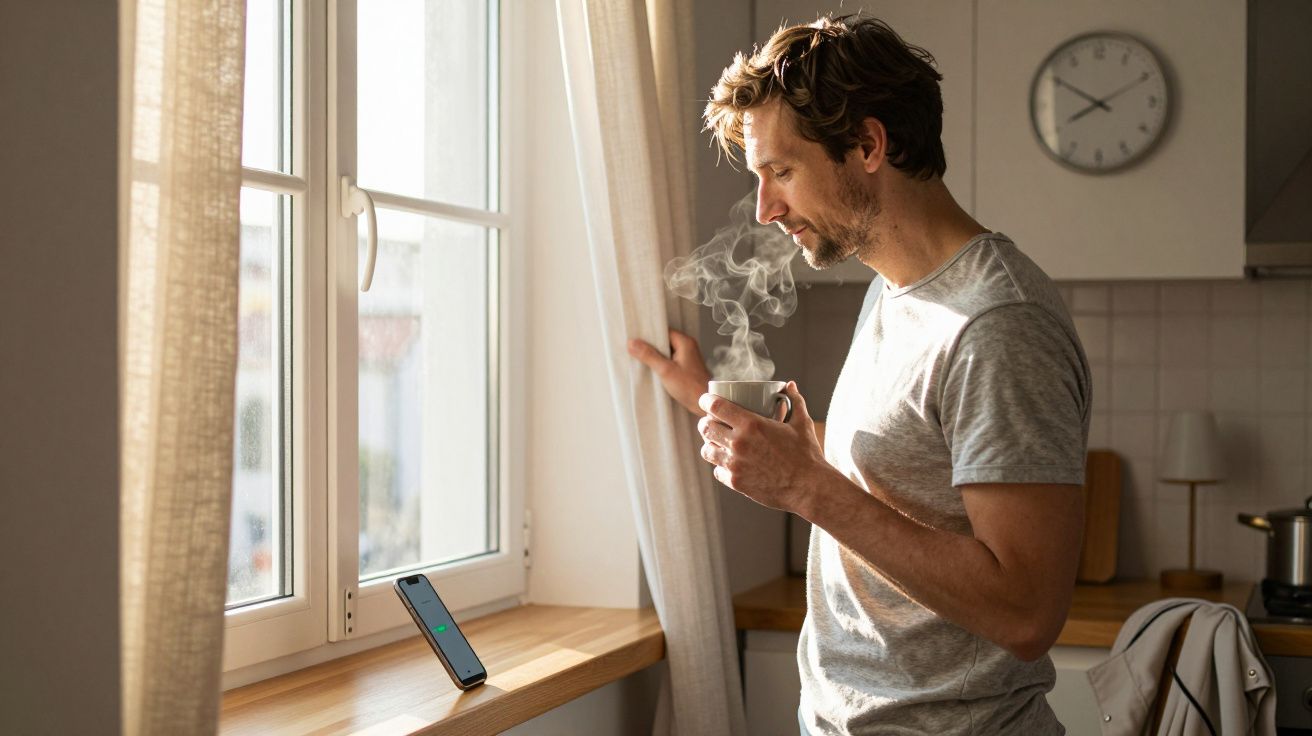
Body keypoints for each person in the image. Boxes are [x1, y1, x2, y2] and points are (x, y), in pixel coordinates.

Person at [627, 15, 1091, 735]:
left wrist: (806, 487)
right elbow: (900, 475)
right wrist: (719, 406)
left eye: (782, 172)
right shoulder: (894, 290)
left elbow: (1026, 613)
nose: (765, 208)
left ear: (869, 145)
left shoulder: (997, 323)